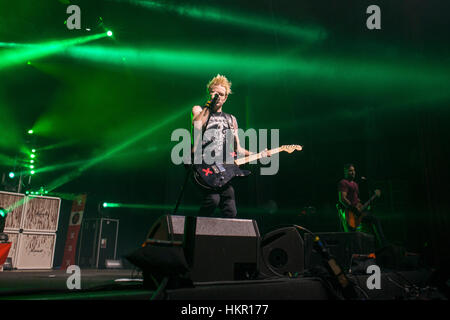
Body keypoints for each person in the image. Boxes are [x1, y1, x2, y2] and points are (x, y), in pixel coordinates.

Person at [191, 74, 254, 218]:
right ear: (209, 93)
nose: (217, 96)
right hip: (201, 167)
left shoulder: (231, 119)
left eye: (221, 94)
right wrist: (209, 104)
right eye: (214, 93)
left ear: (225, 98)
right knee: (212, 199)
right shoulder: (198, 110)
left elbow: (238, 149)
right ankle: (196, 232)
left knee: (230, 207)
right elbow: (197, 125)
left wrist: (260, 153)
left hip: (220, 169)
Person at [337, 163, 389, 248]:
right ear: (345, 172)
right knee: (352, 235)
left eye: (354, 170)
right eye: (350, 171)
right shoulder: (343, 182)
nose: (353, 172)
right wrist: (354, 209)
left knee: (374, 220)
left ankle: (381, 246)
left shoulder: (355, 184)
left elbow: (356, 199)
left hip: (358, 211)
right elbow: (342, 199)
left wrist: (363, 205)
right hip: (351, 213)